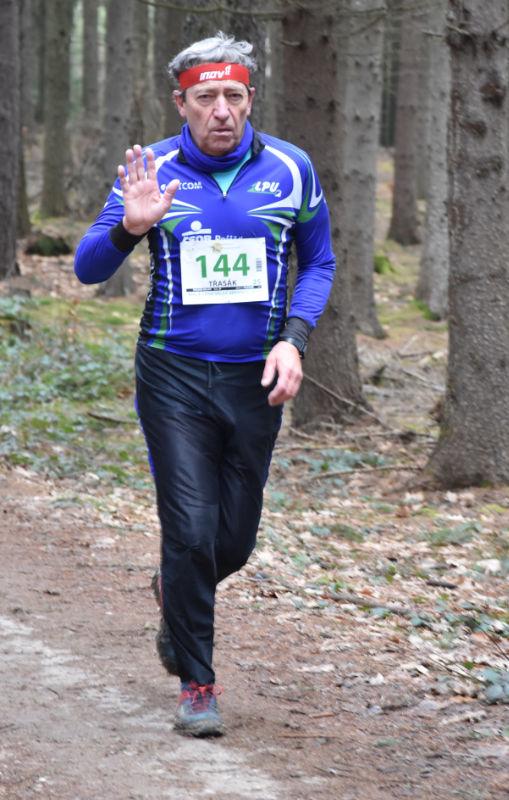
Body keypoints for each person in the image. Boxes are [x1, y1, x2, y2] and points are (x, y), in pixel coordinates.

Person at [74, 31, 335, 737]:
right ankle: (198, 684)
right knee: (189, 530)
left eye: (234, 95)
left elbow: (318, 262)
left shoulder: (290, 168)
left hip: (256, 376)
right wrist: (129, 228)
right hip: (173, 372)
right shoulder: (151, 170)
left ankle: (174, 590)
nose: (221, 110)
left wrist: (293, 339)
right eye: (206, 97)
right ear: (180, 103)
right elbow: (88, 267)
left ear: (250, 98)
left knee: (234, 543)